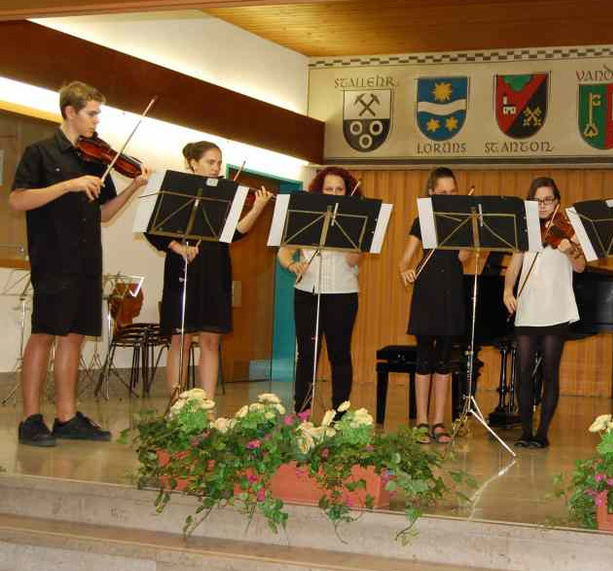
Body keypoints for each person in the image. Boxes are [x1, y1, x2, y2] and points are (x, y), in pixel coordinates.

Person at [10, 80, 149, 446]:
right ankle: (30, 419)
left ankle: (67, 417)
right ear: (70, 112)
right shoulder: (40, 152)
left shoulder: (94, 158)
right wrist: (67, 185)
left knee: (74, 336)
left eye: (98, 113)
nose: (96, 121)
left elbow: (105, 213)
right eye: (92, 113)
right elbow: (18, 200)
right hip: (53, 257)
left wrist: (133, 188)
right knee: (44, 333)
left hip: (88, 260)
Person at [146, 141, 271, 399]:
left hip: (215, 270)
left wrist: (257, 208)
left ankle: (208, 406)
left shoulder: (224, 194)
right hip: (182, 269)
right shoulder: (176, 190)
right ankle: (176, 404)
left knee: (211, 341)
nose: (216, 168)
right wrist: (178, 247)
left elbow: (234, 233)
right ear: (193, 163)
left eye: (219, 163)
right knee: (181, 339)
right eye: (210, 162)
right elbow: (153, 228)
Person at [503, 177, 586, 448]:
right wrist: (507, 291)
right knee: (523, 371)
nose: (542, 205)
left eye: (548, 200)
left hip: (556, 308)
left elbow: (580, 267)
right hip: (528, 307)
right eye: (537, 200)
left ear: (556, 201)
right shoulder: (524, 228)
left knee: (551, 371)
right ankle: (526, 431)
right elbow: (514, 266)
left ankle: (542, 433)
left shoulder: (568, 229)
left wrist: (570, 250)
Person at [278, 167, 361, 415]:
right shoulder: (307, 216)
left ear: (347, 192)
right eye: (329, 189)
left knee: (340, 354)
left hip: (343, 293)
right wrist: (292, 265)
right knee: (307, 354)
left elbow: (353, 261)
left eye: (339, 189)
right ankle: (302, 413)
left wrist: (347, 231)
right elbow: (284, 250)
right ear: (319, 191)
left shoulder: (356, 220)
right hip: (308, 292)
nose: (334, 194)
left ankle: (339, 414)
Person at [398, 167, 469, 444]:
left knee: (444, 360)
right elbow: (405, 259)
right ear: (431, 193)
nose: (448, 197)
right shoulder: (422, 221)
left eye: (453, 192)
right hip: (426, 291)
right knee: (424, 358)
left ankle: (439, 421)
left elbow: (462, 258)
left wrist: (470, 233)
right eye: (442, 193)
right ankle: (421, 421)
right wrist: (405, 270)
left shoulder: (462, 222)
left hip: (452, 292)